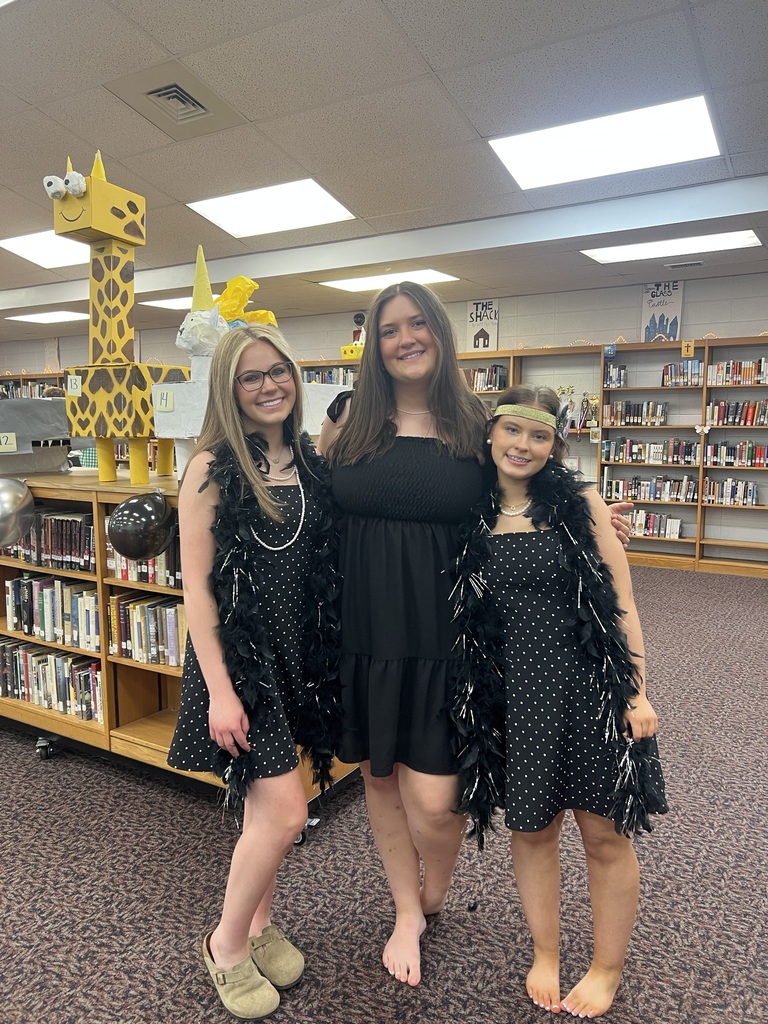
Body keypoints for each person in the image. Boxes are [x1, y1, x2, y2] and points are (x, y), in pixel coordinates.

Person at [318, 283, 634, 988]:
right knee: (378, 776)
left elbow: (528, 479)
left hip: (452, 633)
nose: (405, 338)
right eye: (389, 327)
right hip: (367, 626)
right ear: (375, 341)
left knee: (437, 800)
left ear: (439, 331)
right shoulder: (347, 419)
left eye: (417, 323)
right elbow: (315, 504)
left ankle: (436, 887)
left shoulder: (471, 421)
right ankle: (408, 908)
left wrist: (592, 515)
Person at [453, 384, 668, 1018]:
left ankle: (606, 967)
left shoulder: (583, 506)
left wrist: (636, 692)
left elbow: (621, 603)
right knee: (532, 829)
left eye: (539, 436)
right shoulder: (466, 511)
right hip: (512, 700)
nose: (523, 446)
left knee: (603, 832)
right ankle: (545, 951)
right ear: (491, 434)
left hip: (586, 690)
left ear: (556, 445)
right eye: (513, 431)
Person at [168, 324, 340, 1020]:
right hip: (242, 663)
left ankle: (263, 924)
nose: (270, 385)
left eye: (279, 372)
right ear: (229, 390)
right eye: (251, 376)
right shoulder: (211, 467)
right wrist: (219, 689)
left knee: (265, 810)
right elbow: (199, 590)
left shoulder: (309, 459)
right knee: (289, 811)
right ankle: (227, 945)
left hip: (299, 655)